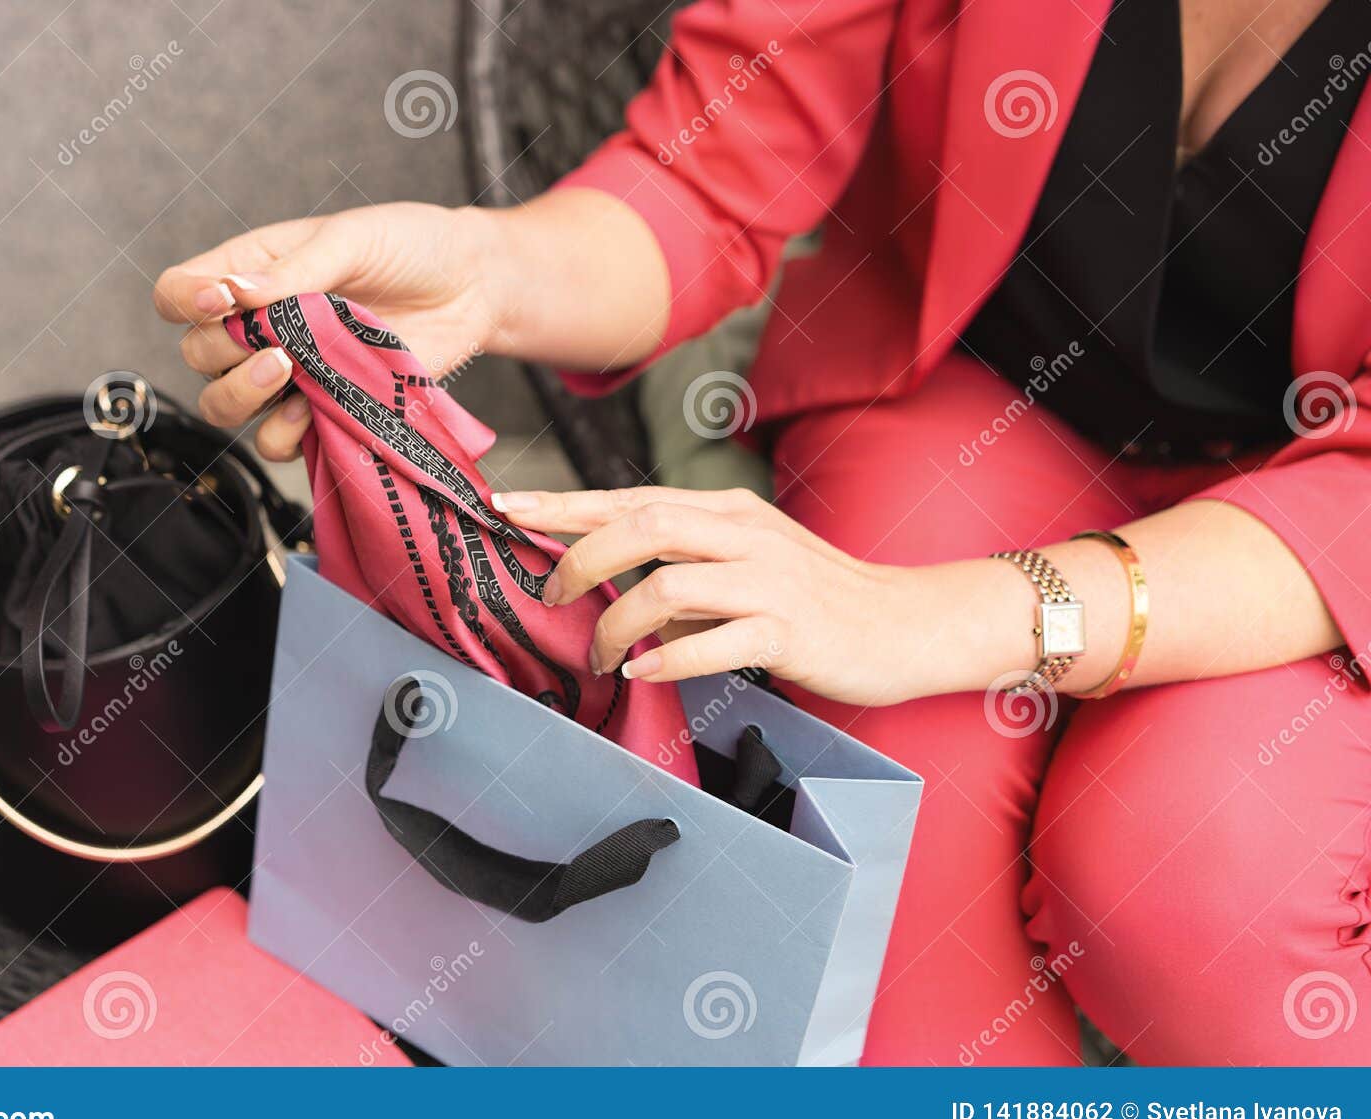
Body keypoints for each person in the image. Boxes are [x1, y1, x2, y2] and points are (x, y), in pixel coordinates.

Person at [154, 0, 1371, 1065]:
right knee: (882, 868)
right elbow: (708, 175)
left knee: (1185, 885)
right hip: (981, 386)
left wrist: (937, 615)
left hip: (1326, 523)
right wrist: (489, 267)